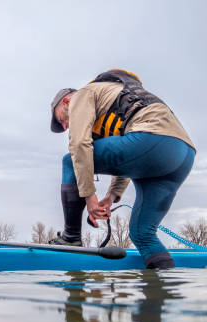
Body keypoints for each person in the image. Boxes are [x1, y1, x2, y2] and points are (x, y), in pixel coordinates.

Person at [49, 69, 196, 269]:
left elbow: (79, 145)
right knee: (142, 234)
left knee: (69, 161)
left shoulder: (82, 95)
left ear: (66, 102)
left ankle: (71, 237)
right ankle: (161, 292)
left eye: (62, 120)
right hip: (181, 155)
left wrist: (90, 197)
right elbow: (127, 155)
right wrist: (111, 197)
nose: (66, 126)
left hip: (151, 139)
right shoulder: (113, 98)